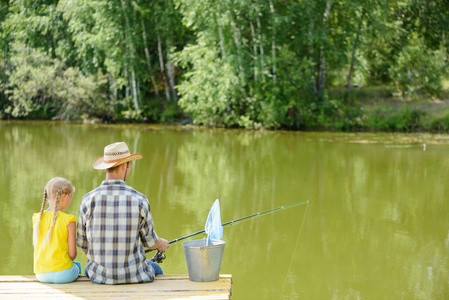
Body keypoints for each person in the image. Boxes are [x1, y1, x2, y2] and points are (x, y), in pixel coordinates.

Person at [77, 141, 169, 284]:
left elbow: (83, 244)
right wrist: (161, 243)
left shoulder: (88, 200)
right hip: (134, 275)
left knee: (88, 269)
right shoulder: (140, 199)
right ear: (125, 165)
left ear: (106, 167)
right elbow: (150, 243)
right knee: (157, 269)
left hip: (99, 276)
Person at [32, 177, 80, 283]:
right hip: (64, 274)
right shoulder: (69, 220)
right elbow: (72, 254)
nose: (70, 201)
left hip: (41, 274)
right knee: (77, 266)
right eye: (71, 197)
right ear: (64, 196)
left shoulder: (37, 218)